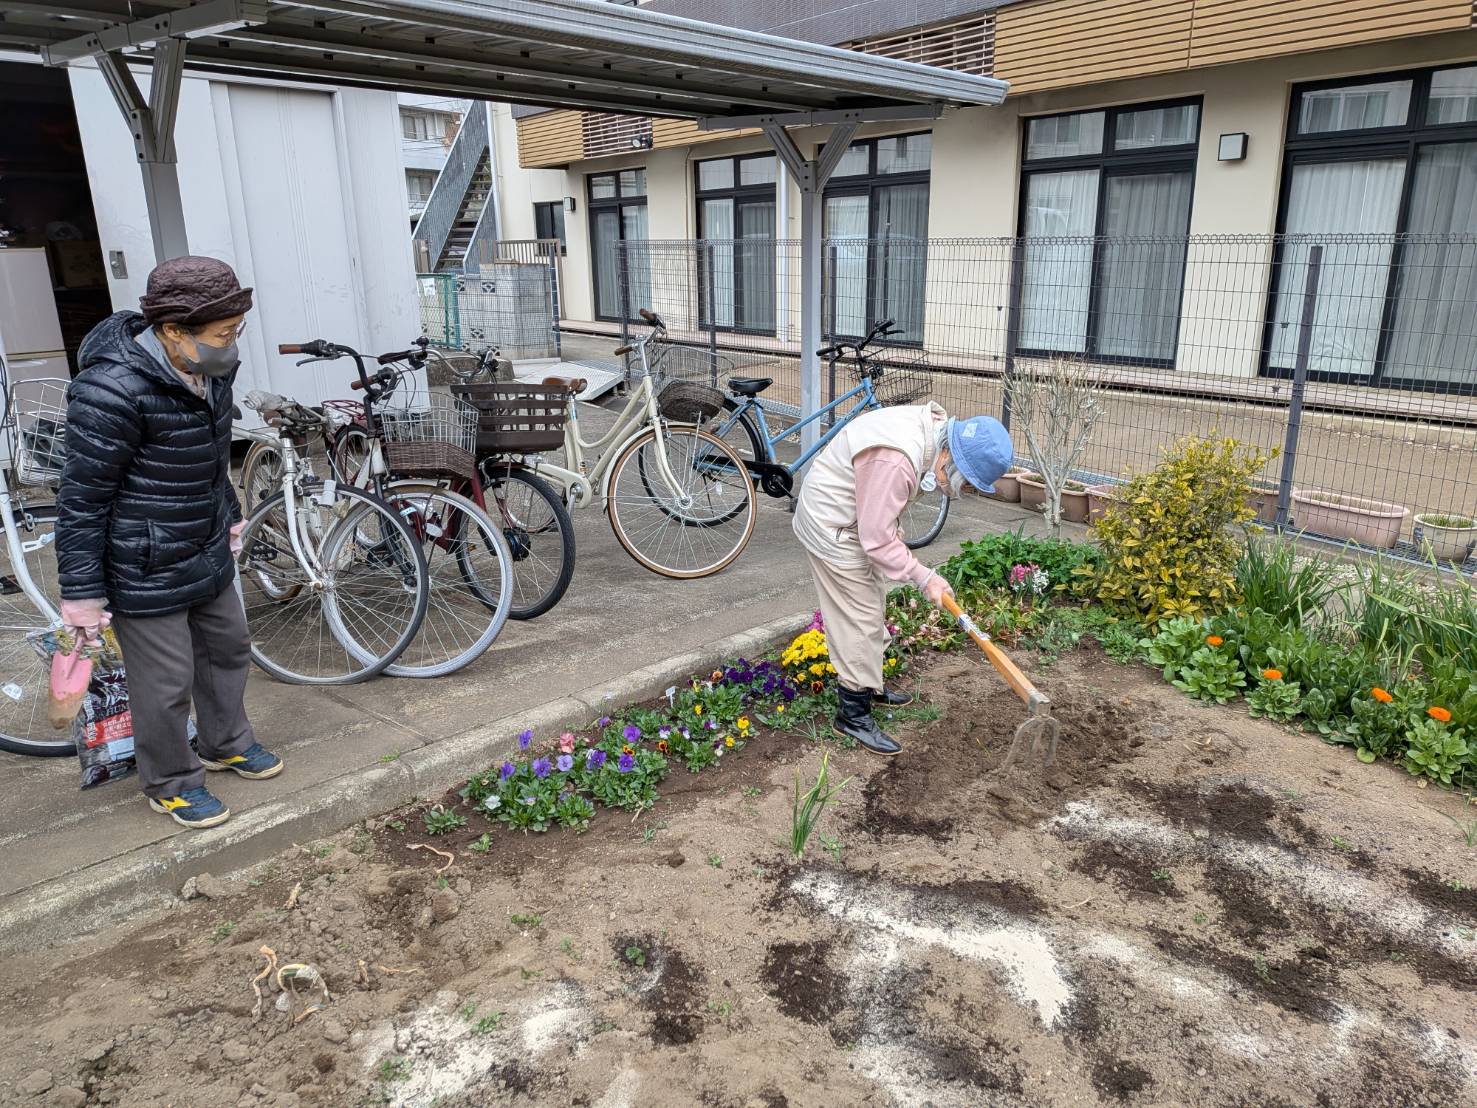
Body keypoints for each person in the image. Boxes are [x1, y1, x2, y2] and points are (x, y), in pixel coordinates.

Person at [56, 255, 282, 829]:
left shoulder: (211, 369)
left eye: (236, 330)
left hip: (204, 541)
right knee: (166, 679)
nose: (232, 344)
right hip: (144, 559)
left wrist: (230, 516)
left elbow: (211, 454)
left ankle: (225, 741)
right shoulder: (111, 391)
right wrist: (81, 594)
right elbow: (82, 499)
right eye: (223, 333)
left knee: (228, 647)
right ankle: (171, 781)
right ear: (174, 331)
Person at [793, 401, 1013, 756]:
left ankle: (870, 686)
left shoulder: (933, 433)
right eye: (963, 481)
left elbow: (878, 516)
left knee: (872, 600)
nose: (957, 490)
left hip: (854, 521)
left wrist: (902, 550)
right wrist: (925, 577)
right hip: (831, 525)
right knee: (858, 619)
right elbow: (877, 540)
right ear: (949, 456)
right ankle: (852, 714)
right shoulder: (897, 460)